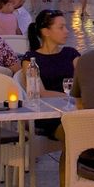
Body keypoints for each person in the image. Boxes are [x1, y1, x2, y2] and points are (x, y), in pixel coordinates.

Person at [26, 10, 80, 138]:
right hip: (47, 113)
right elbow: (40, 92)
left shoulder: (71, 54)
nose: (67, 31)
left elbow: (84, 82)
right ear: (46, 32)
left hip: (72, 110)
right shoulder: (31, 59)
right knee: (74, 131)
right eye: (61, 27)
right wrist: (71, 98)